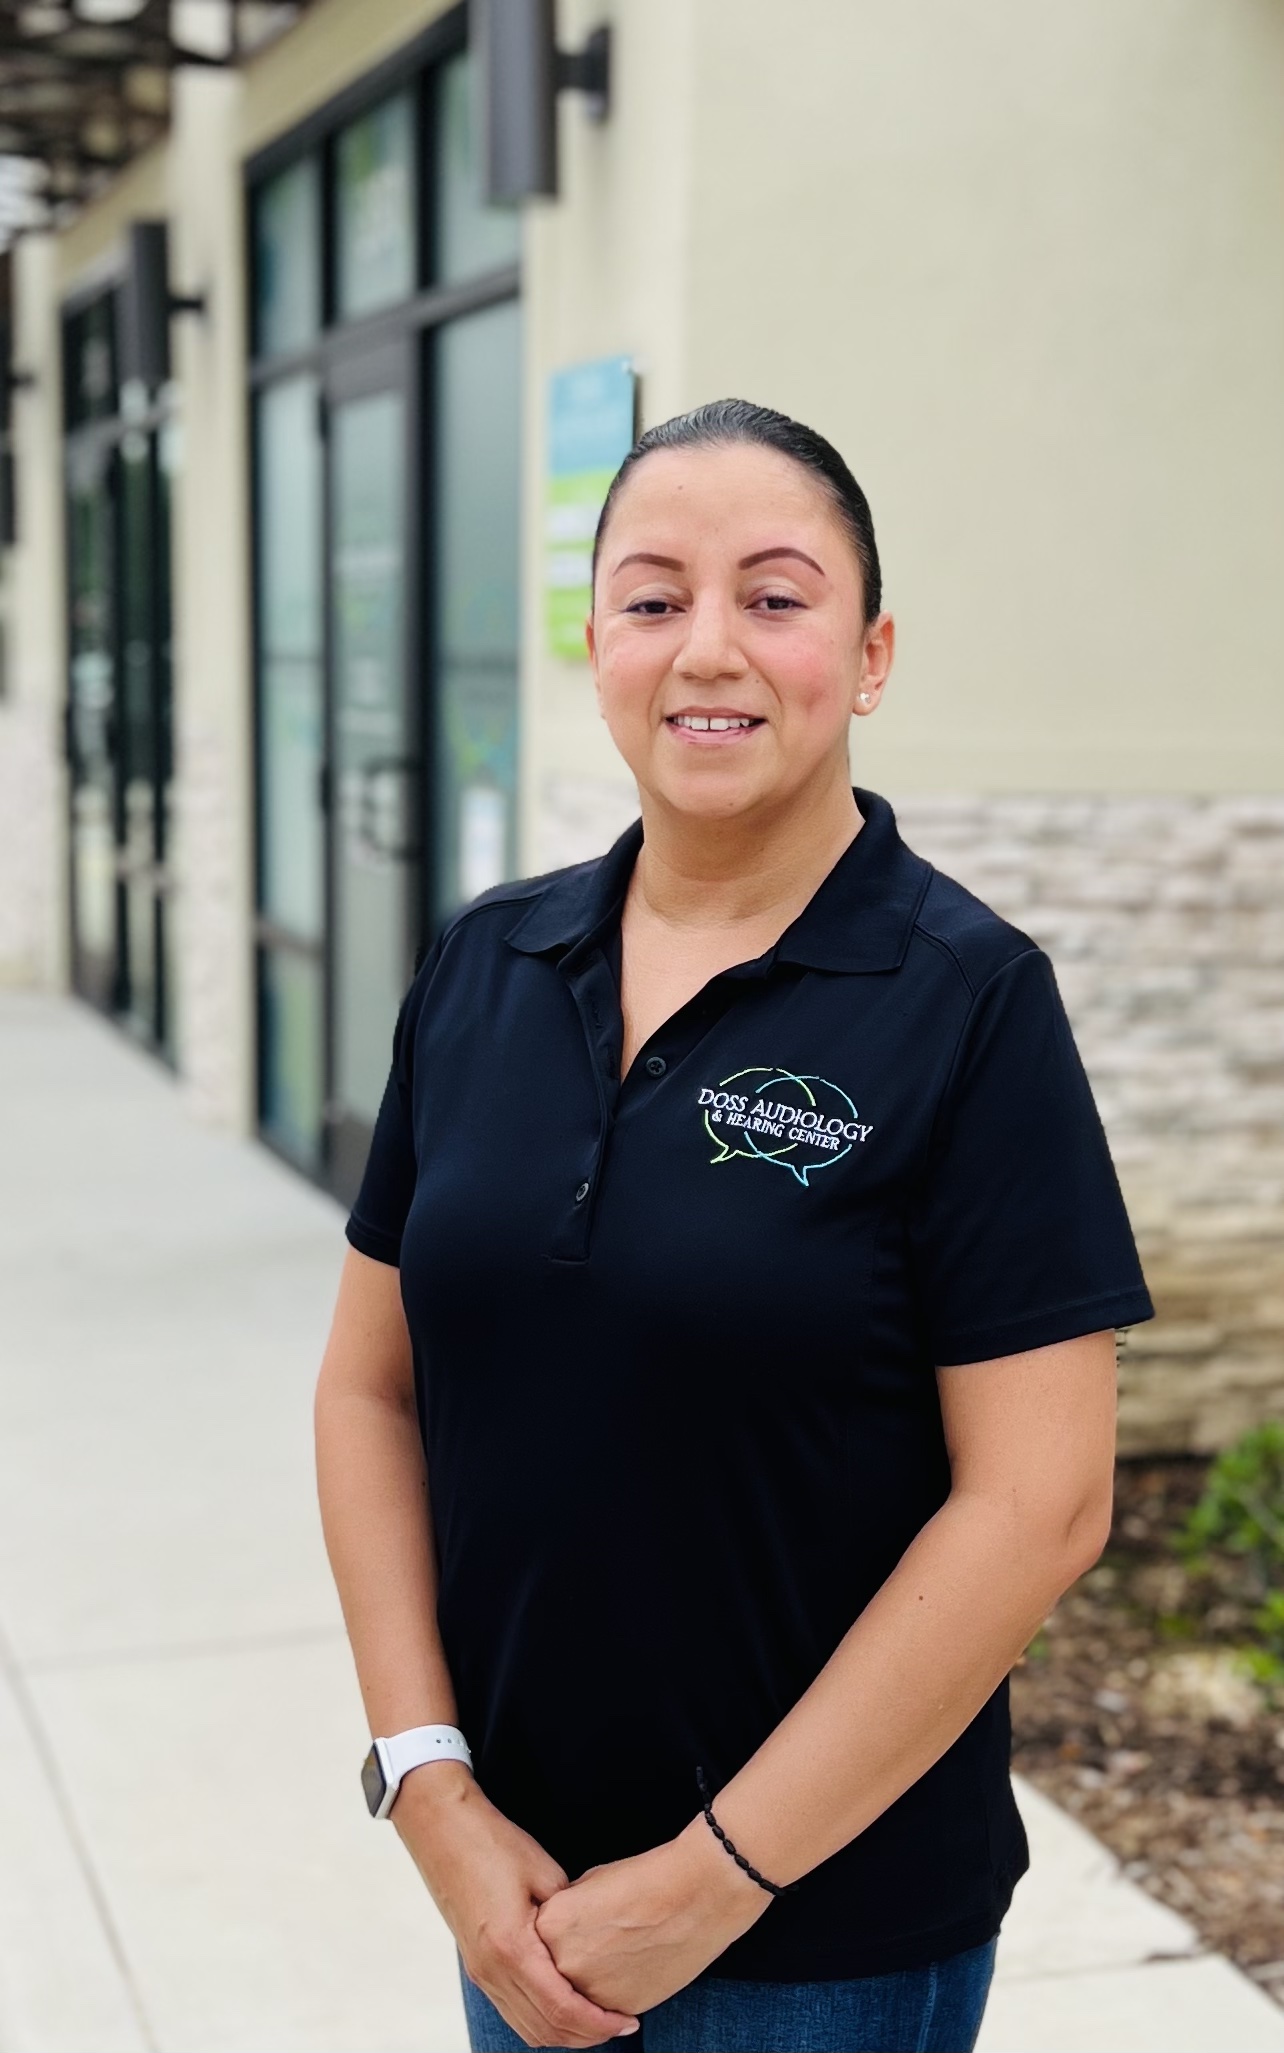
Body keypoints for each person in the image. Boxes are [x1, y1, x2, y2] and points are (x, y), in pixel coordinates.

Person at [314, 398, 1154, 2053]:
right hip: (518, 1901)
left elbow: (1040, 1500)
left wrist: (713, 1878)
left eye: (775, 597)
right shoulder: (486, 964)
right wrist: (429, 1786)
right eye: (654, 597)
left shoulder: (968, 1003)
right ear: (597, 645)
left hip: (828, 1946)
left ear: (871, 653)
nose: (709, 647)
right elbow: (368, 1387)